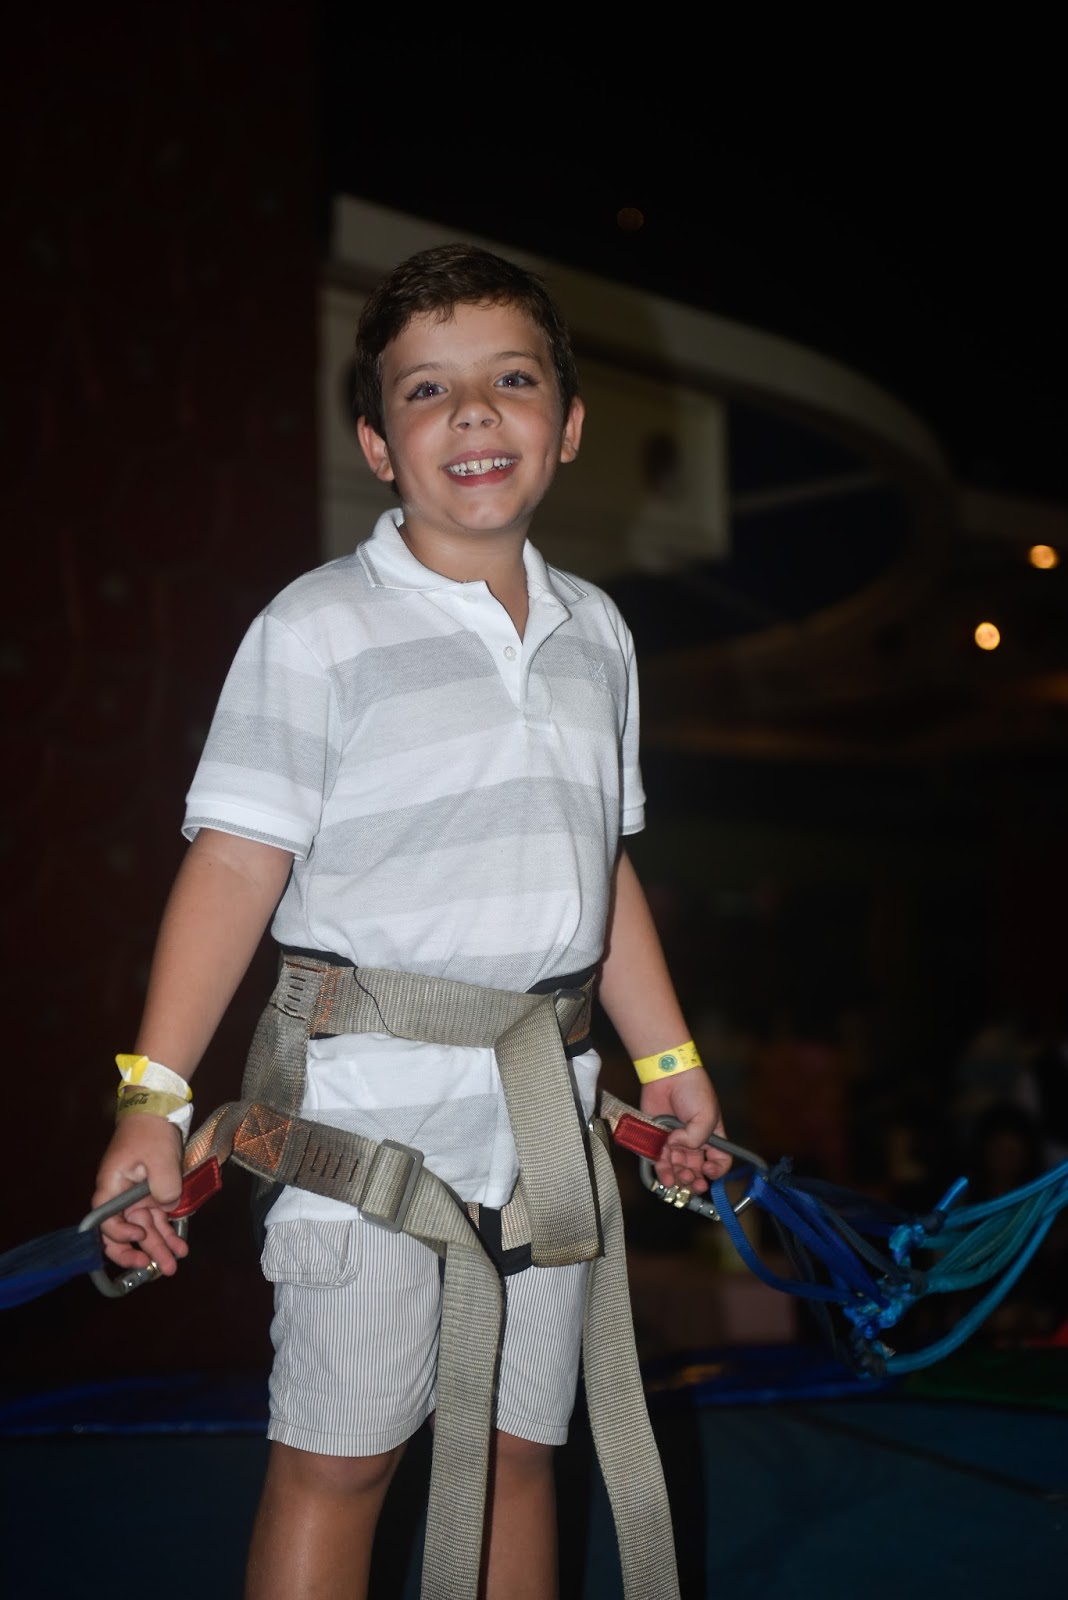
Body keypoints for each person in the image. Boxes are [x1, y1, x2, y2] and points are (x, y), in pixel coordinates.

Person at [91, 243, 730, 1600]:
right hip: (365, 1117)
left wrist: (668, 1060)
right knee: (340, 1465)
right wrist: (153, 1098)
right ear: (379, 446)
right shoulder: (319, 629)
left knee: (517, 1454)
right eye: (428, 390)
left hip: (545, 1114)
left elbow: (601, 867)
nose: (475, 413)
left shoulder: (598, 634)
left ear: (567, 424)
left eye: (512, 380)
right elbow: (233, 868)